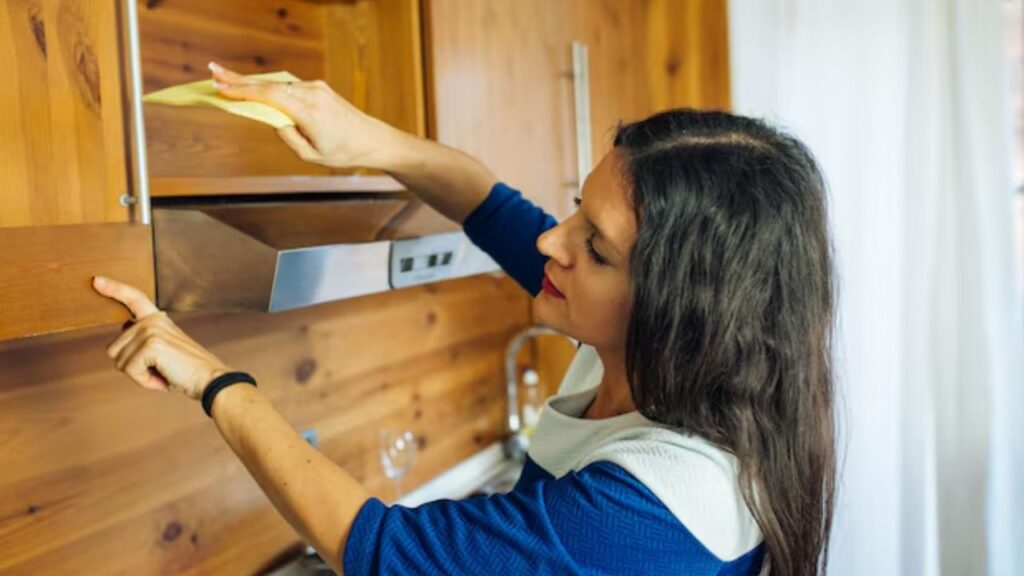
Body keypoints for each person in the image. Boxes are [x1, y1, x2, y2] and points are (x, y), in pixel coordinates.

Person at [91, 62, 836, 575]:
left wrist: (218, 383)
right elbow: (488, 203)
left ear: (681, 309)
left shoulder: (656, 508)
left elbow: (379, 552)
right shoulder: (653, 359)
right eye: (579, 208)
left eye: (595, 245)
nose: (553, 240)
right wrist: (359, 137)